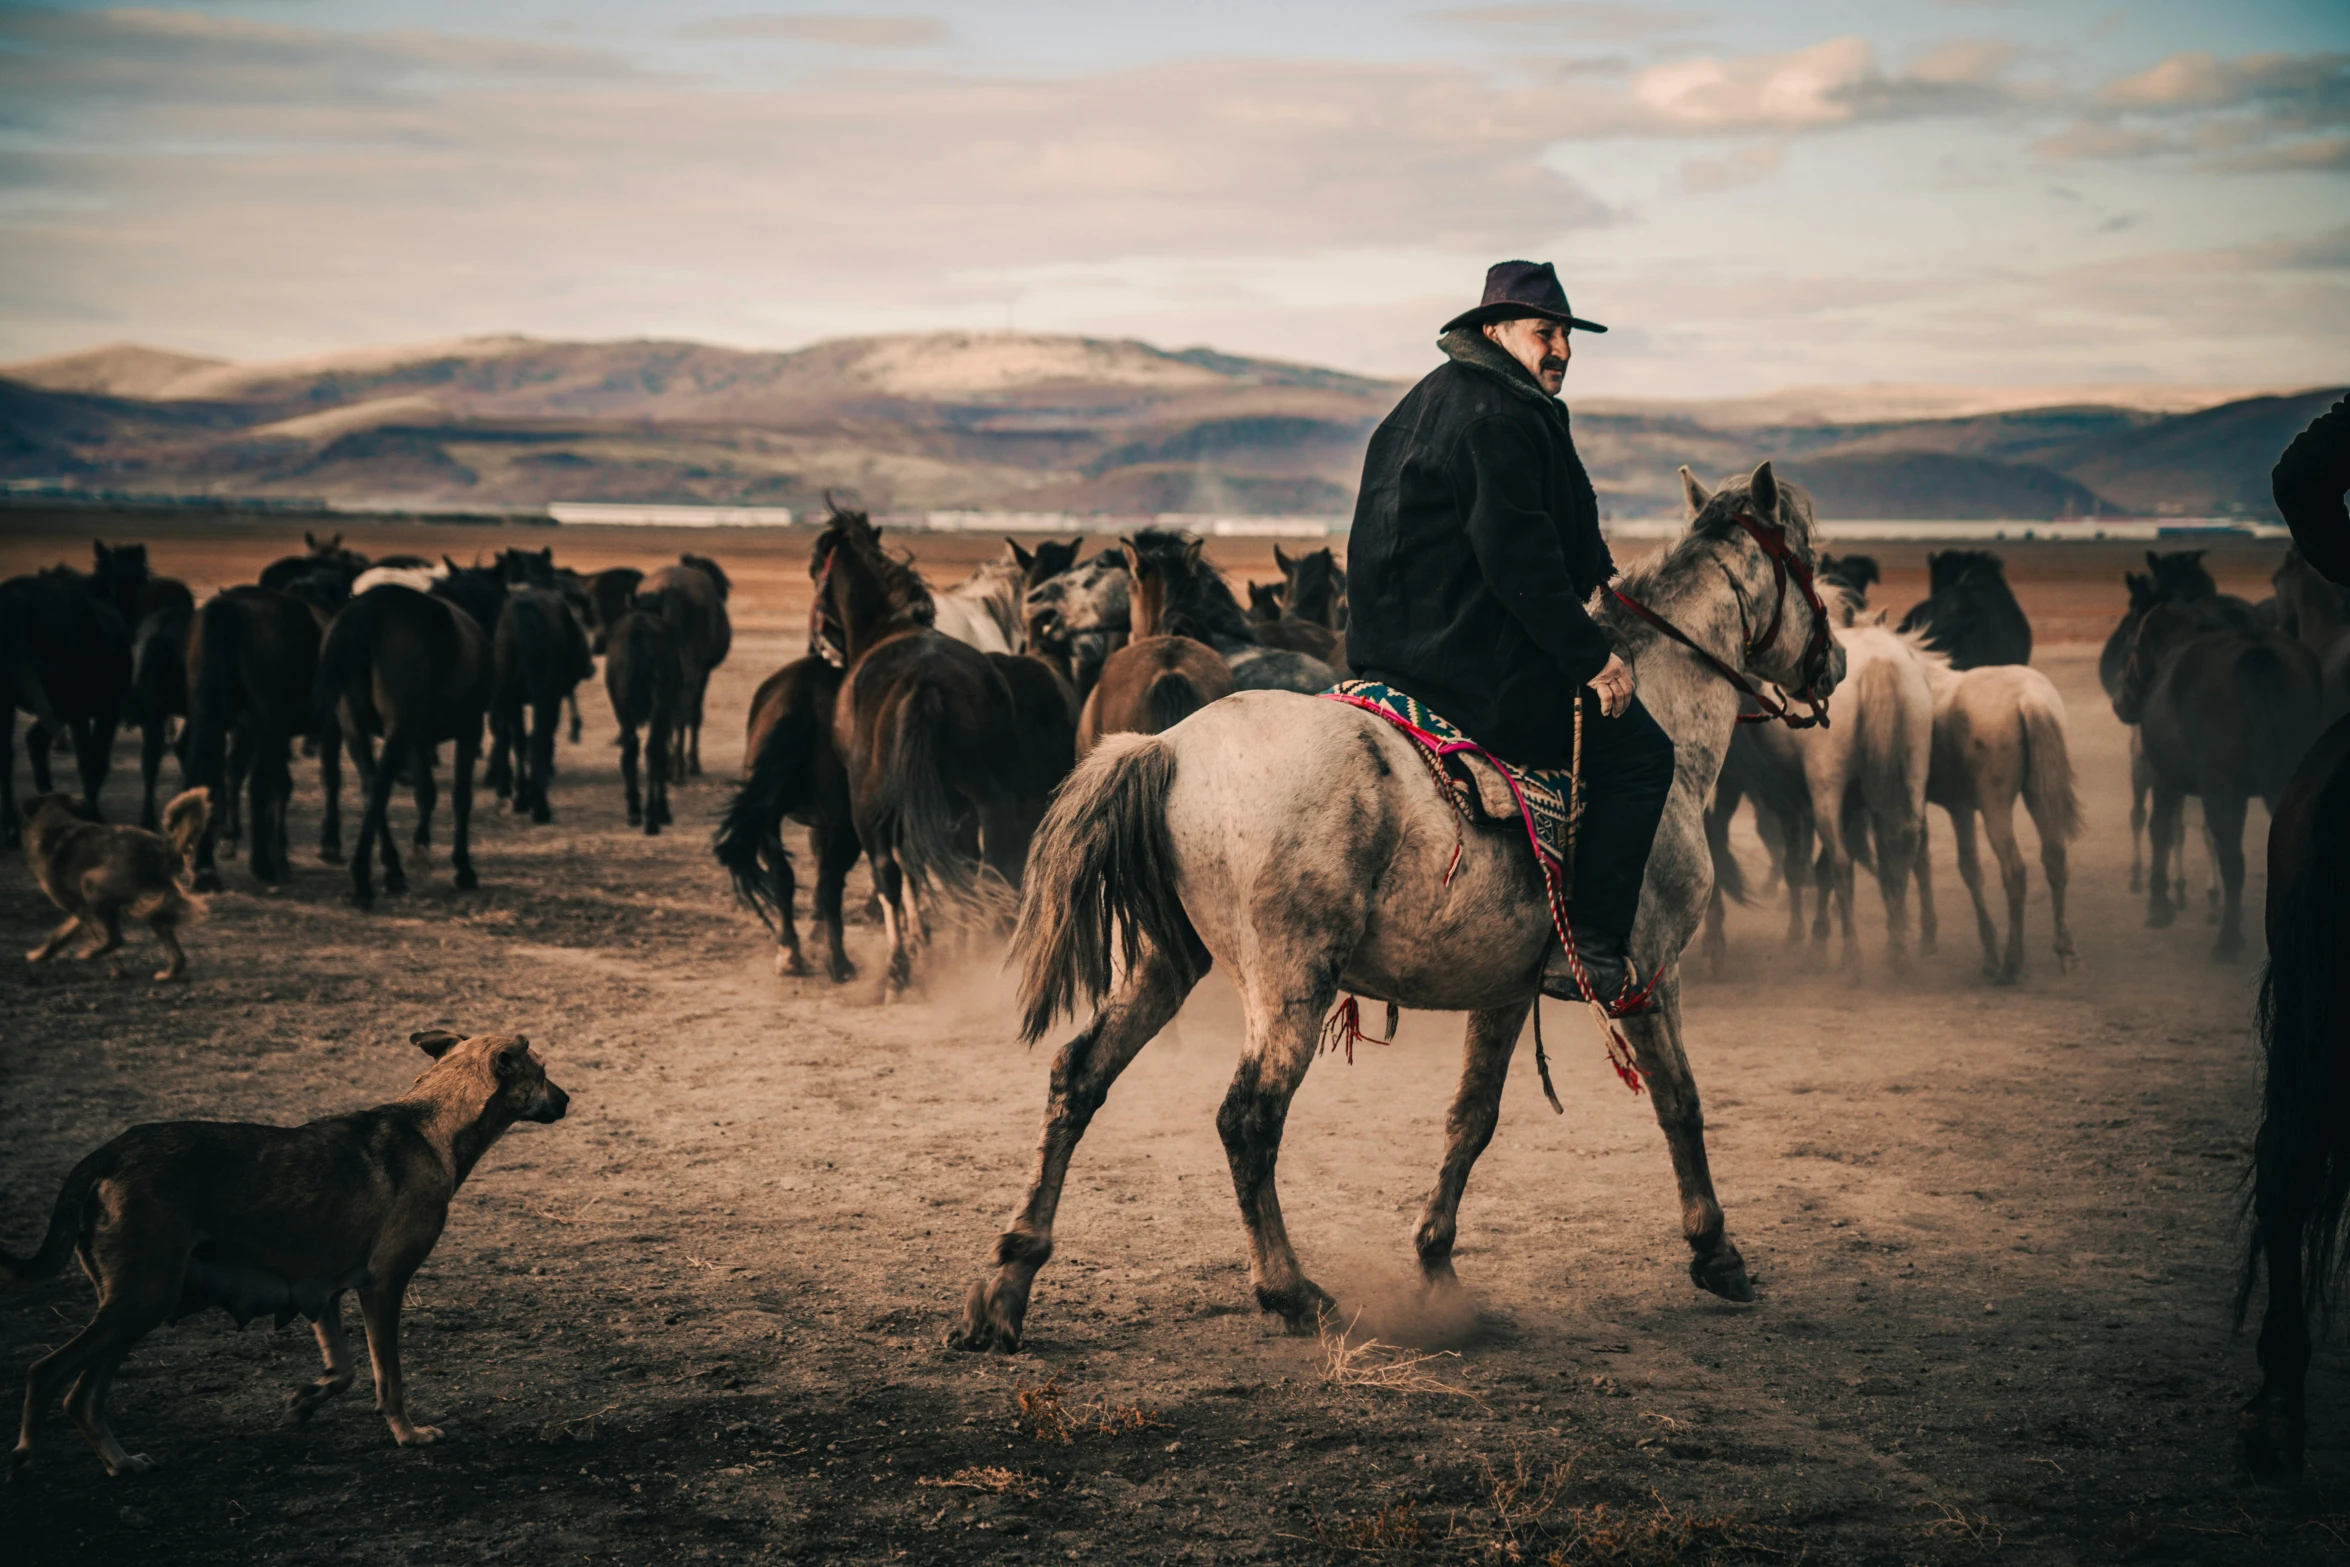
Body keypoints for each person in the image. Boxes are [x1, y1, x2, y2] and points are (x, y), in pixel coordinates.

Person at [1346, 260, 1673, 1012]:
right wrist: (1592, 658)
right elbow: (1518, 561)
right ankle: (1587, 947)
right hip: (1470, 667)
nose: (1559, 347)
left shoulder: (1426, 402)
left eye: (1565, 333)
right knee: (1644, 755)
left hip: (1385, 661)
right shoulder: (1498, 416)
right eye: (1544, 331)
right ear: (1493, 331)